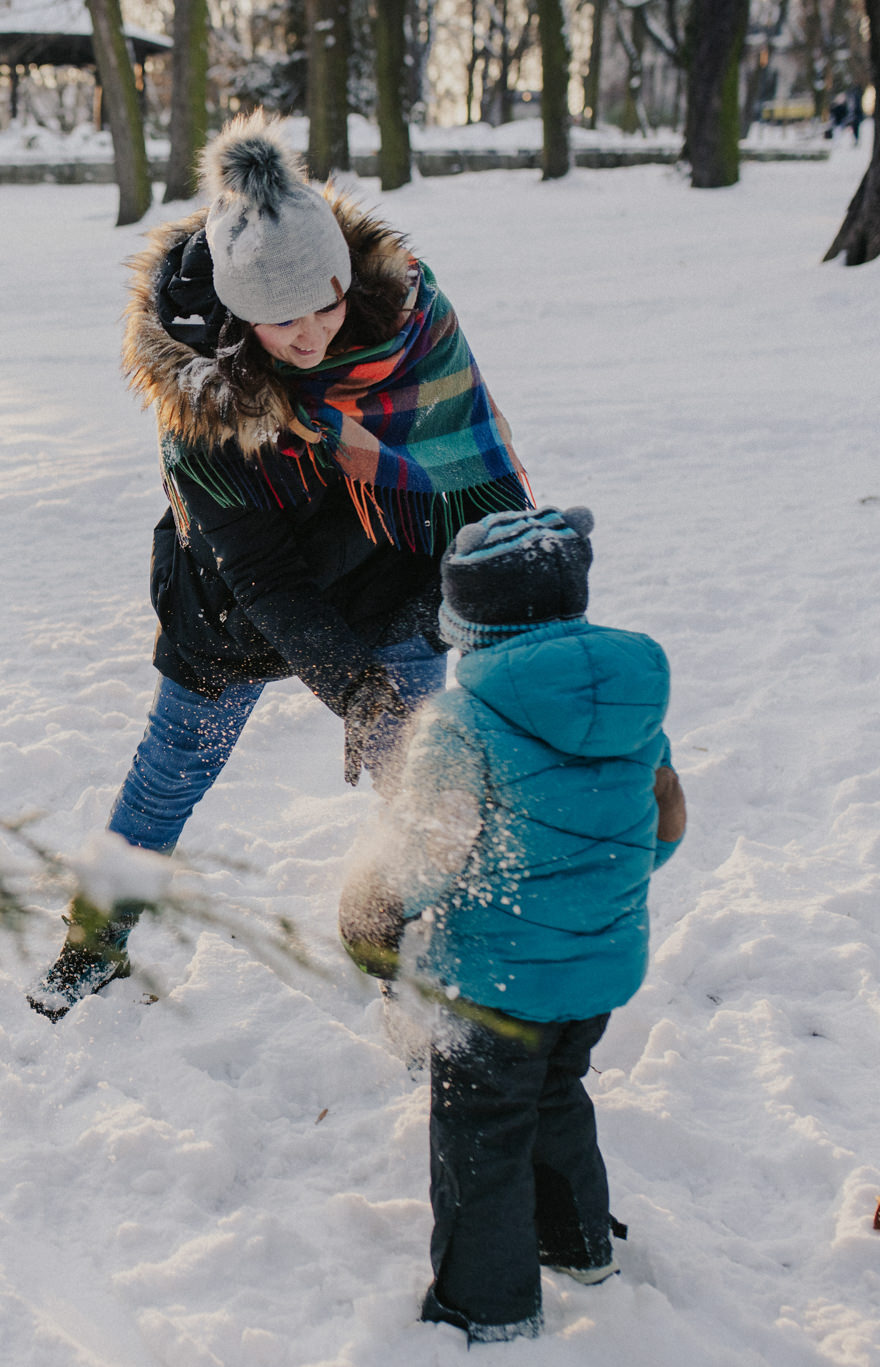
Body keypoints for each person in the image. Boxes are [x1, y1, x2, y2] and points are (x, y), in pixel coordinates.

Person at [28, 114, 533, 1020]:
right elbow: (264, 578)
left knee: (420, 768)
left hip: (387, 569)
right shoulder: (202, 397)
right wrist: (354, 688)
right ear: (236, 310)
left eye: (327, 302)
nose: (312, 335)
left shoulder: (408, 323)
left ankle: (409, 939)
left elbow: (469, 468)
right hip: (237, 605)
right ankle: (92, 939)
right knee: (170, 771)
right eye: (281, 318)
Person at [337, 505, 687, 1343]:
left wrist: (373, 907)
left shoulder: (464, 722)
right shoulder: (634, 707)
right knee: (558, 1093)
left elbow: (429, 851)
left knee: (481, 1131)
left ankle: (484, 1303)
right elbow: (659, 827)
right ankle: (576, 1243)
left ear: (472, 623)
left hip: (497, 984)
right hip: (600, 970)